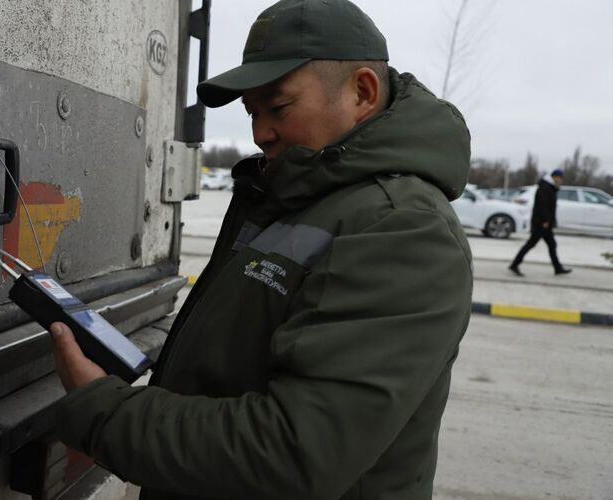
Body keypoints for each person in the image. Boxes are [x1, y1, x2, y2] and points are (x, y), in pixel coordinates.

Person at [50, 1, 473, 498]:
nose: (259, 134)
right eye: (252, 112)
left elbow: (293, 452)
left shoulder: (402, 229)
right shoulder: (297, 196)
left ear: (362, 92)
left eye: (279, 107)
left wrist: (104, 410)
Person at [509, 169, 572, 276]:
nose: (561, 180)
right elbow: (543, 205)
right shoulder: (545, 188)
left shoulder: (549, 187)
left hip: (544, 222)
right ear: (555, 177)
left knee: (551, 245)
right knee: (531, 244)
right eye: (560, 178)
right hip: (542, 223)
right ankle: (514, 265)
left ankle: (558, 268)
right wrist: (546, 220)